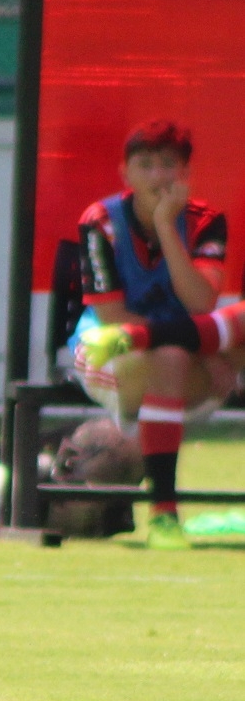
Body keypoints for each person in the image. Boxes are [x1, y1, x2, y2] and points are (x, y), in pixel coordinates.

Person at [66, 121, 241, 549]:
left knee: (178, 356)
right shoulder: (101, 220)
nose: (158, 176)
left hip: (188, 361)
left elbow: (200, 301)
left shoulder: (206, 221)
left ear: (185, 174)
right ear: (125, 173)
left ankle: (160, 341)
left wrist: (167, 227)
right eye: (145, 165)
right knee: (171, 360)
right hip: (110, 355)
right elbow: (110, 316)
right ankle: (164, 516)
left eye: (168, 165)